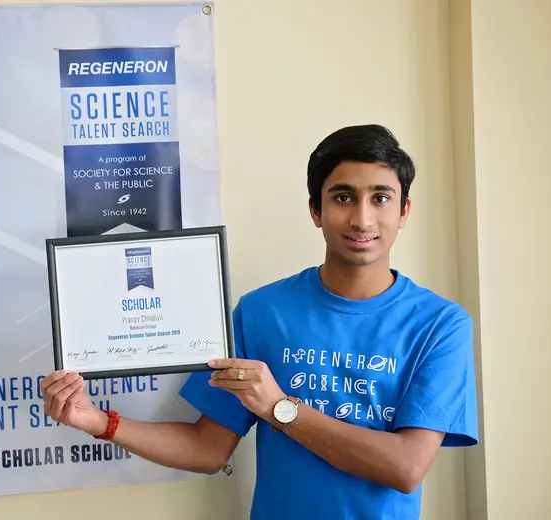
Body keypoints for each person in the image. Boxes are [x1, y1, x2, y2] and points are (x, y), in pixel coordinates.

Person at [40, 124, 479, 519]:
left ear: (403, 211)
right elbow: (208, 448)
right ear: (316, 210)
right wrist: (100, 422)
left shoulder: (440, 325)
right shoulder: (261, 311)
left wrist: (280, 408)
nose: (362, 218)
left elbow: (405, 467)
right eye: (343, 197)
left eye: (380, 198)